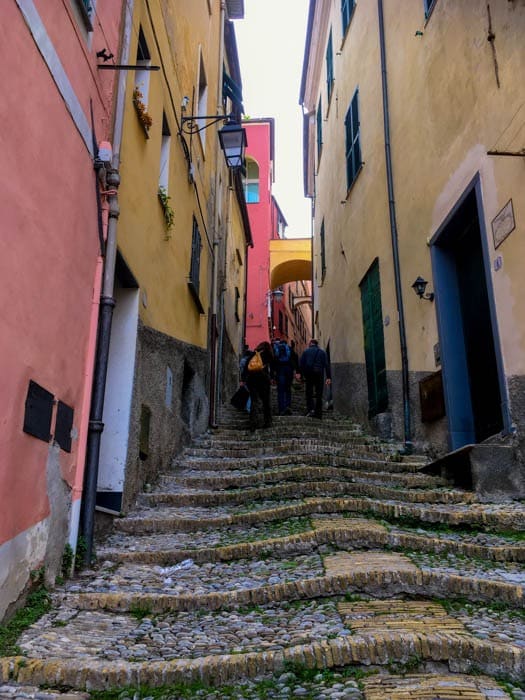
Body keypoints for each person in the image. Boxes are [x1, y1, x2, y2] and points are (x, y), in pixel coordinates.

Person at [242, 341, 274, 430]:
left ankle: (253, 423)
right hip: (264, 381)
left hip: (252, 381)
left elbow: (246, 368)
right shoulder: (269, 355)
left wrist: (243, 379)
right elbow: (272, 369)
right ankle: (268, 422)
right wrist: (272, 378)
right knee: (266, 402)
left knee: (254, 401)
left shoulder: (254, 354)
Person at [299, 338, 331, 419]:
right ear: (317, 344)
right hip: (319, 374)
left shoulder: (306, 352)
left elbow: (301, 364)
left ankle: (311, 410)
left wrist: (301, 375)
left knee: (309, 393)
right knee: (319, 394)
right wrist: (328, 377)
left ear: (310, 344)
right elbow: (326, 365)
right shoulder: (322, 352)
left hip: (309, 374)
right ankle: (318, 413)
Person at [272, 338, 294, 415]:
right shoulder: (290, 349)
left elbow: (273, 363)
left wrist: (272, 376)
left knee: (280, 391)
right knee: (288, 390)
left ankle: (281, 409)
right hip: (289, 371)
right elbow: (294, 360)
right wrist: (295, 371)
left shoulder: (275, 349)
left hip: (279, 371)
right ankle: (288, 406)